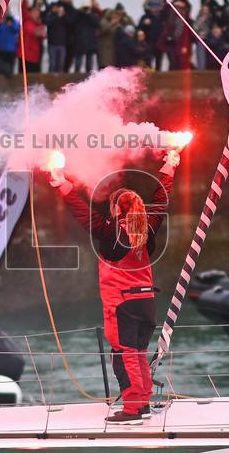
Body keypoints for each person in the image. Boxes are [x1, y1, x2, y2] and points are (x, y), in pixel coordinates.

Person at [47, 149, 181, 423]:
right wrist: (170, 167)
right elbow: (160, 200)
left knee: (128, 355)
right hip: (146, 303)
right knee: (139, 354)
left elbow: (83, 213)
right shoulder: (148, 229)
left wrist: (62, 184)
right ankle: (141, 403)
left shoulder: (112, 232)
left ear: (118, 209)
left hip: (122, 303)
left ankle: (133, 408)